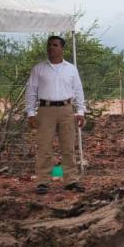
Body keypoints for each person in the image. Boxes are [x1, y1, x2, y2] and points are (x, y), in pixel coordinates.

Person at [26, 35, 86, 194]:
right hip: (45, 110)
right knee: (44, 147)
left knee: (68, 147)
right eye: (49, 45)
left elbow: (78, 90)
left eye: (55, 45)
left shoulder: (71, 69)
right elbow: (31, 91)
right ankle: (43, 181)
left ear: (62, 48)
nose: (51, 48)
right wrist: (31, 113)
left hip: (67, 109)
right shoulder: (39, 68)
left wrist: (80, 111)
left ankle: (71, 180)